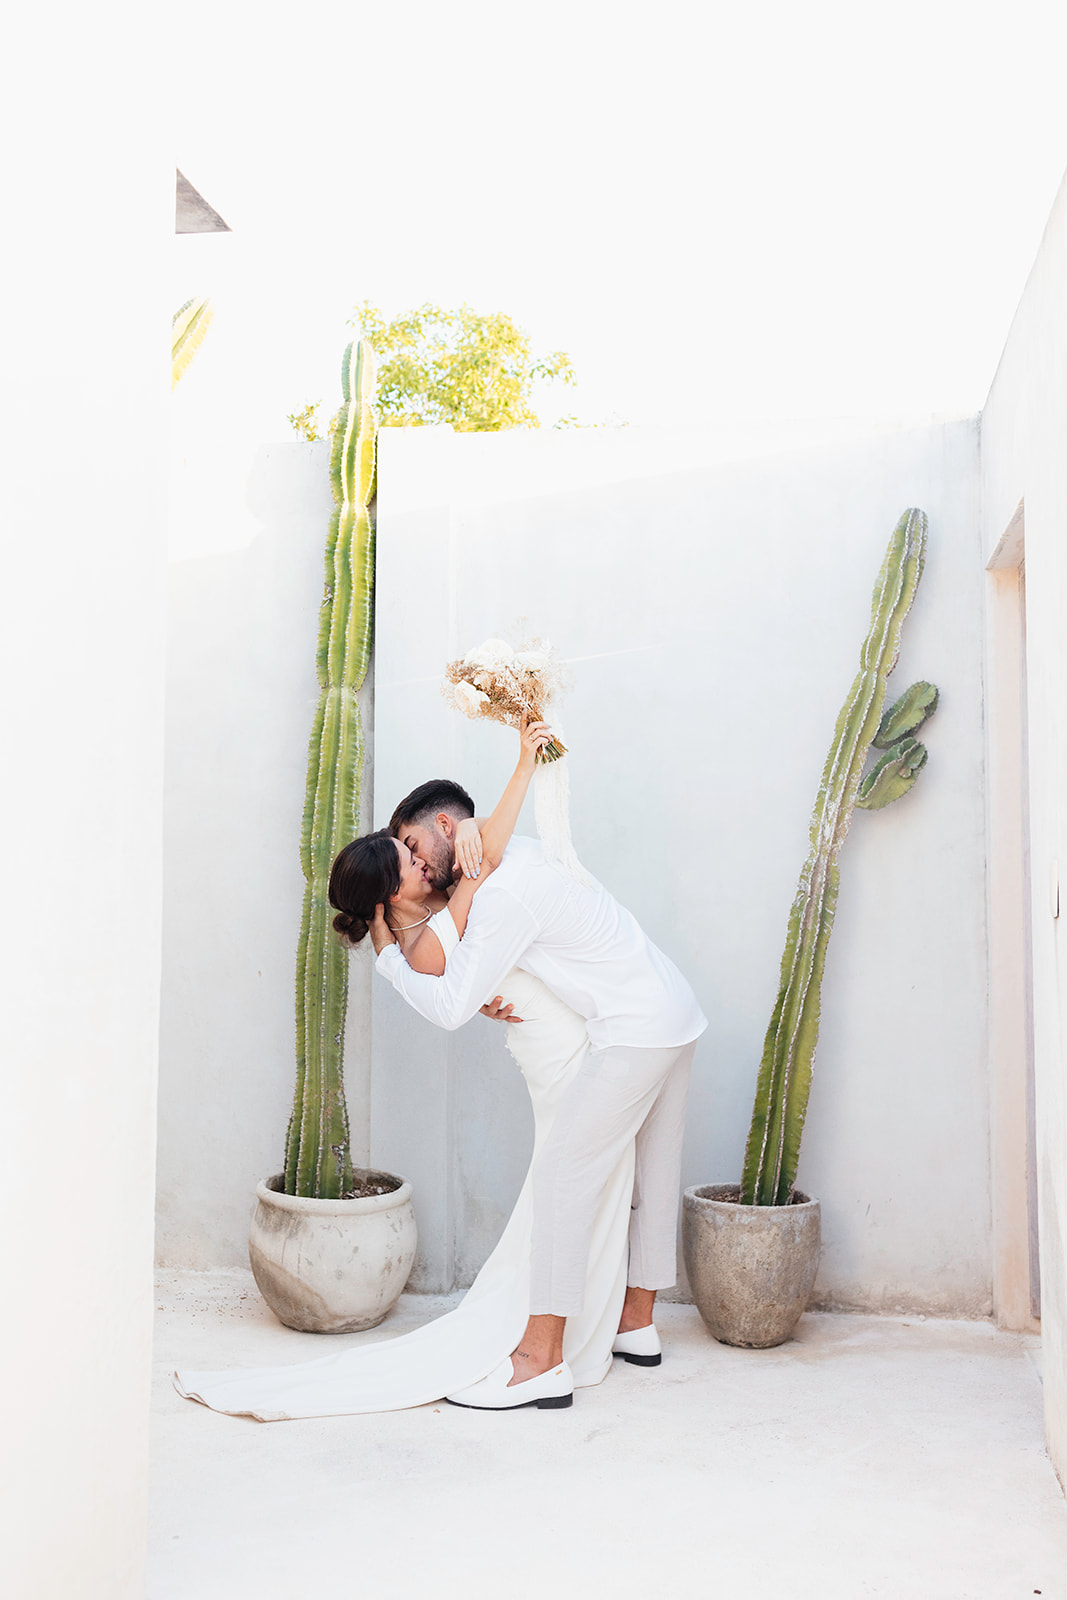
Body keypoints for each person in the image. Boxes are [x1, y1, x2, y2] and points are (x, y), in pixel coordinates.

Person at [175, 719, 643, 1418]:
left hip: (569, 1041)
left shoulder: (412, 922)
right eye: (412, 863)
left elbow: (470, 867)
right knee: (573, 1187)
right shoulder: (419, 936)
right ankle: (552, 1342)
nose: (425, 865)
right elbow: (476, 865)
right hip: (560, 1058)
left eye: (415, 852)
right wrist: (520, 767)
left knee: (589, 1184)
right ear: (386, 898)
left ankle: (587, 1328)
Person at [373, 740, 706, 1412]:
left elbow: (446, 1005)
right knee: (650, 1173)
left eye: (410, 845)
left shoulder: (500, 895)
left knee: (561, 1177)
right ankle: (636, 1324)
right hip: (673, 1008)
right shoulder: (515, 855)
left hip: (634, 1032)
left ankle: (538, 1360)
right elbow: (495, 961)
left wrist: (384, 946)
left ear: (446, 828)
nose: (409, 863)